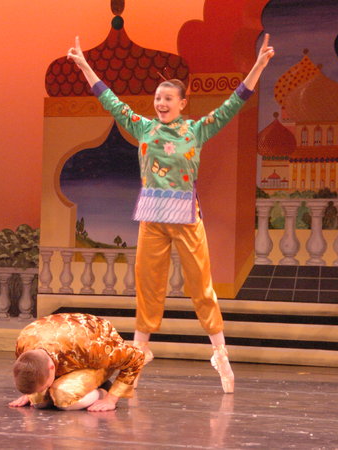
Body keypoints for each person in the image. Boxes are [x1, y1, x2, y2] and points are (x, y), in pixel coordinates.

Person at [66, 34, 275, 394]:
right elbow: (109, 99)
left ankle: (220, 353)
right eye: (158, 98)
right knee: (148, 288)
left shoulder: (196, 130)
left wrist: (257, 66)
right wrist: (84, 65)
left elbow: (235, 102)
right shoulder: (143, 127)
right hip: (152, 219)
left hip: (186, 219)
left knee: (201, 287)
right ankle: (138, 357)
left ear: (182, 103)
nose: (161, 103)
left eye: (167, 98)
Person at [8, 313, 145, 412]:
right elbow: (31, 367)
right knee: (38, 401)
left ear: (50, 367)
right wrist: (30, 392)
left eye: (45, 386)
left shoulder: (90, 347)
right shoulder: (24, 342)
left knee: (63, 397)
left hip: (93, 354)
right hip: (68, 352)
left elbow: (136, 357)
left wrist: (110, 399)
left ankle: (102, 389)